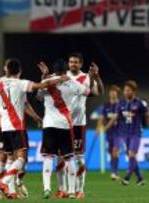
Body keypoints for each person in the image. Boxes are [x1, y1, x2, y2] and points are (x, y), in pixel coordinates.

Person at [0, 57, 64, 199]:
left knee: (9, 158)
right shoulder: (21, 83)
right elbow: (40, 86)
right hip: (17, 126)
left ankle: (10, 190)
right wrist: (59, 78)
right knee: (21, 159)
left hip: (3, 126)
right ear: (19, 71)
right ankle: (4, 183)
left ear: (6, 69)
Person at [37, 59, 90, 199]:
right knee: (69, 158)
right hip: (66, 124)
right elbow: (87, 92)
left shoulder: (48, 81)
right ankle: (72, 191)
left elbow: (39, 97)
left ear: (54, 69)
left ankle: (47, 188)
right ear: (66, 69)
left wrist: (45, 78)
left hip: (49, 124)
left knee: (48, 157)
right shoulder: (71, 81)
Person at [104, 80, 149, 186]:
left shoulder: (140, 103)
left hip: (136, 133)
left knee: (131, 154)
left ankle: (127, 178)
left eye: (128, 90)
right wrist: (106, 127)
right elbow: (115, 117)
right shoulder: (121, 104)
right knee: (131, 157)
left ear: (134, 91)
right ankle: (140, 179)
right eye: (125, 90)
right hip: (125, 135)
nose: (126, 92)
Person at [66, 52, 104, 199]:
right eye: (71, 62)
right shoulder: (63, 77)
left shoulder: (86, 78)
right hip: (62, 123)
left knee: (79, 158)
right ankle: (65, 189)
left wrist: (97, 77)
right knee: (63, 159)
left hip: (78, 124)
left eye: (76, 62)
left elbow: (99, 91)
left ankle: (79, 189)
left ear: (81, 64)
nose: (73, 64)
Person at [96, 85, 121, 181]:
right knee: (111, 153)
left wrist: (105, 128)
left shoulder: (121, 105)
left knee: (115, 151)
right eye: (111, 91)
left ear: (117, 93)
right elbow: (101, 118)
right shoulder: (106, 106)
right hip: (109, 133)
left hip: (119, 131)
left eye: (115, 91)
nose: (113, 93)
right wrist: (98, 129)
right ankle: (114, 172)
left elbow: (115, 118)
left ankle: (114, 173)